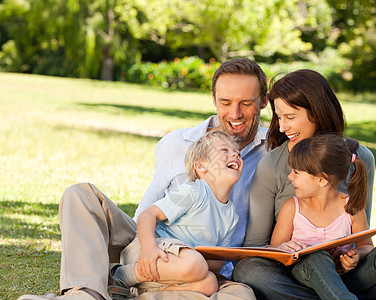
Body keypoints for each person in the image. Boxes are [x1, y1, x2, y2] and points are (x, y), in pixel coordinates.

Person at [18, 57, 268, 300]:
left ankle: (132, 293)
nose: (235, 113)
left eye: (246, 103)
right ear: (213, 99)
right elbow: (147, 211)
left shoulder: (276, 152)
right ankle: (87, 294)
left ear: (264, 102)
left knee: (240, 295)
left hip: (196, 270)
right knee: (80, 194)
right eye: (225, 102)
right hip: (150, 243)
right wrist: (147, 252)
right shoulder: (176, 142)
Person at [232, 69, 376, 299]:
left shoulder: (359, 158)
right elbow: (254, 248)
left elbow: (360, 239)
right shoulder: (272, 166)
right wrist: (284, 250)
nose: (283, 127)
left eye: (290, 117)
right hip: (295, 276)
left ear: (317, 112)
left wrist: (352, 257)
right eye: (279, 117)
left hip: (347, 277)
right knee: (249, 272)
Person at [271, 133, 376, 299]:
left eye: (296, 172)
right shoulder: (292, 207)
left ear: (322, 180)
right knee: (317, 257)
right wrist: (287, 249)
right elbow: (275, 250)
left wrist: (356, 256)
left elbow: (366, 246)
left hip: (346, 280)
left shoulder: (351, 207)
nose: (290, 177)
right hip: (304, 280)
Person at [109, 131, 242, 297]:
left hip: (178, 269)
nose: (235, 154)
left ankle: (139, 290)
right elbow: (148, 215)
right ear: (201, 167)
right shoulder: (193, 192)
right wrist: (149, 249)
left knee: (210, 283)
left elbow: (214, 265)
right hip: (150, 252)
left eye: (237, 152)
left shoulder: (231, 216)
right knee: (196, 264)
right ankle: (120, 275)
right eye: (224, 151)